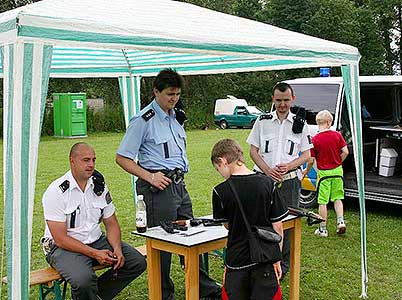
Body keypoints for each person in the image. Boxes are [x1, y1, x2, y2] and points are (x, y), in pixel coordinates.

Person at [116, 68, 221, 300]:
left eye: (177, 94)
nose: (174, 98)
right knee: (162, 242)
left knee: (194, 235)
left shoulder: (175, 117)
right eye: (169, 94)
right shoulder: (144, 120)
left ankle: (205, 289)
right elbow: (122, 157)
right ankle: (163, 294)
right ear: (156, 91)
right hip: (157, 188)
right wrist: (149, 176)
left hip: (178, 186)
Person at [41, 142, 146, 300]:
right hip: (63, 247)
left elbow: (111, 223)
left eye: (93, 160)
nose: (91, 164)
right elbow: (60, 239)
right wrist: (95, 253)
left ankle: (96, 296)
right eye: (86, 160)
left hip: (95, 240)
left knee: (136, 261)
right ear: (72, 161)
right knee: (83, 280)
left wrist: (117, 249)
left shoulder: (99, 186)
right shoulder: (56, 191)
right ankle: (89, 294)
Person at [246, 82, 312, 276]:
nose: (282, 104)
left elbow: (306, 155)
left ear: (293, 99)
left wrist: (289, 166)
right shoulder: (262, 121)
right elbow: (253, 151)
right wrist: (267, 170)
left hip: (289, 181)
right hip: (263, 179)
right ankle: (260, 260)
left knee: (287, 223)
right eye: (278, 100)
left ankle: (282, 266)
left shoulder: (301, 124)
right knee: (260, 220)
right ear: (273, 100)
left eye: (286, 100)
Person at [211, 139, 288, 300]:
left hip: (236, 260)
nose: (220, 173)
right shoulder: (269, 184)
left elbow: (227, 225)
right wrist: (276, 259)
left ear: (222, 161)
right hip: (265, 260)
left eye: (218, 168)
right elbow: (278, 227)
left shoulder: (220, 191)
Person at [303, 110, 348, 237]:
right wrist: (338, 162)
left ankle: (323, 229)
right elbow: (345, 152)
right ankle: (340, 222)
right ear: (329, 123)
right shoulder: (337, 135)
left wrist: (306, 171)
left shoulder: (315, 139)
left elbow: (311, 160)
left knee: (322, 201)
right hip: (338, 171)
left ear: (319, 123)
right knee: (338, 198)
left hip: (324, 174)